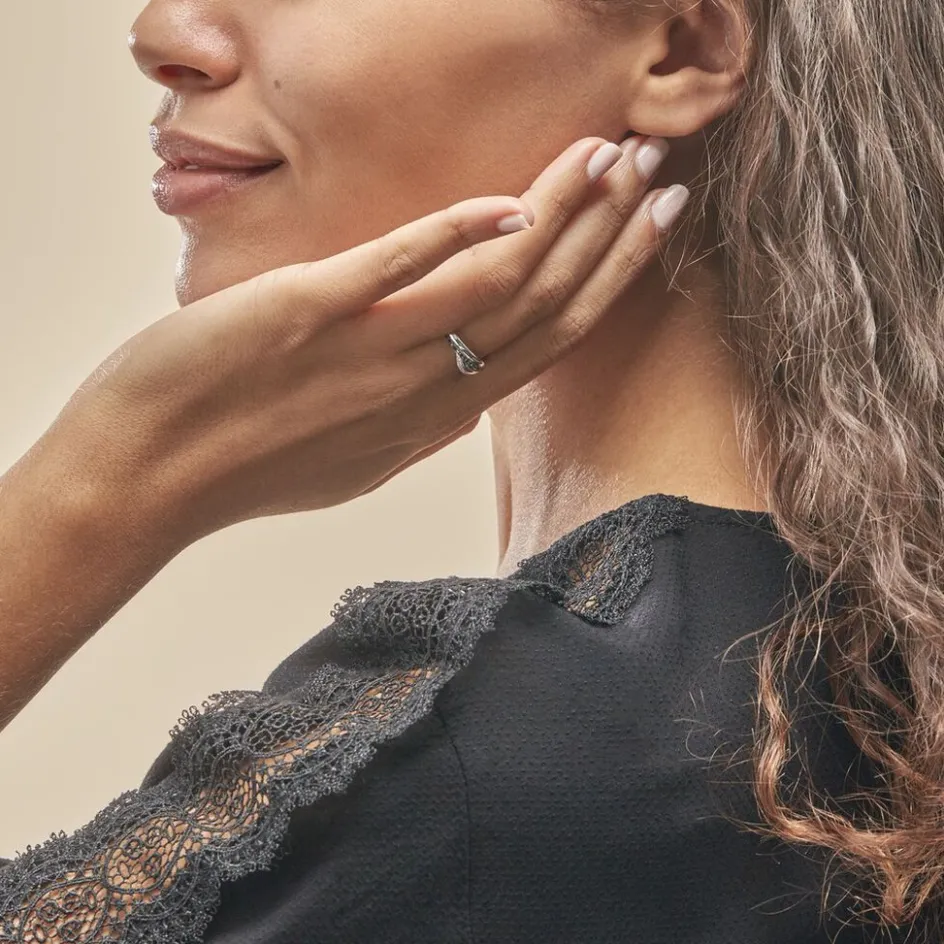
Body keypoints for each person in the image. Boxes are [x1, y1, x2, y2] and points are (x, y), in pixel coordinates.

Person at [0, 0, 939, 939]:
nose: (162, 35)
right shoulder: (843, 665)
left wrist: (119, 474)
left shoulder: (483, 783)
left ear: (683, 50)